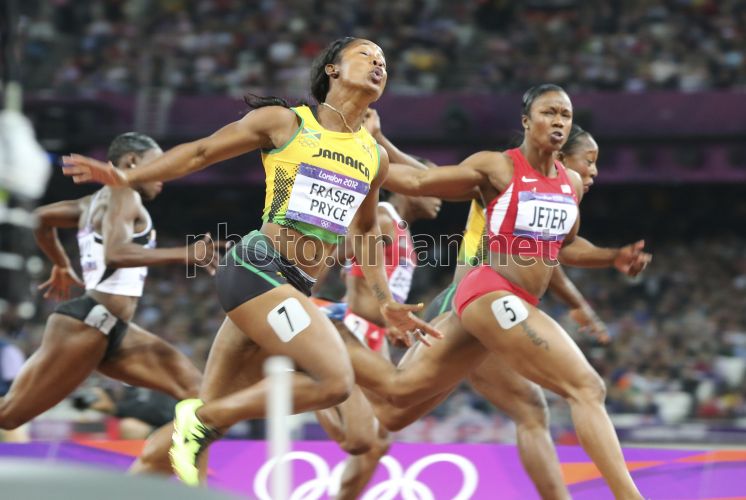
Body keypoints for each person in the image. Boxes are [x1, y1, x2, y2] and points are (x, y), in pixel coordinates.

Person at [62, 37, 441, 486]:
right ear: (333, 70)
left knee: (207, 424)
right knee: (335, 381)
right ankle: (201, 420)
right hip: (258, 268)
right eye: (367, 56)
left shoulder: (372, 157)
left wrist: (387, 302)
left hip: (291, 288)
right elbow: (201, 152)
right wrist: (128, 176)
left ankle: (144, 479)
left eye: (383, 61)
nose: (379, 64)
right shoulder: (286, 122)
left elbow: (364, 234)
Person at [346, 85, 650, 499]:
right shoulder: (498, 167)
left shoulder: (571, 184)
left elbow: (564, 246)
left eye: (565, 115)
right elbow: (418, 179)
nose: (558, 121)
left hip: (503, 305)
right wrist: (360, 152)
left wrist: (612, 256)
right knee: (587, 387)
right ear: (526, 121)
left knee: (394, 405)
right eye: (549, 112)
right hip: (489, 292)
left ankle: (327, 339)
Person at [0, 133, 210, 470]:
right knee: (10, 415)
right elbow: (116, 253)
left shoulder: (92, 202)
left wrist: (61, 263)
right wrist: (184, 253)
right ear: (131, 162)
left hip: (114, 329)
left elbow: (39, 218)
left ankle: (159, 470)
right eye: (158, 165)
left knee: (199, 392)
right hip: (88, 324)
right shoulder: (124, 194)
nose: (164, 175)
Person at [314, 188, 441, 500]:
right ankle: (315, 384)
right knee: (359, 440)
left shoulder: (402, 230)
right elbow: (334, 252)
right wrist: (305, 292)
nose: (438, 198)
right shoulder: (382, 215)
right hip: (353, 329)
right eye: (431, 191)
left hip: (376, 335)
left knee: (380, 442)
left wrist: (394, 325)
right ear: (408, 190)